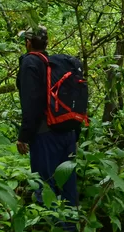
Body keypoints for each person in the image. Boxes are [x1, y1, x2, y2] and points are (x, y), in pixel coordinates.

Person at [15, 26, 79, 221]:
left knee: (45, 184)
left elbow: (31, 102)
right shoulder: (57, 64)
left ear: (28, 43)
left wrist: (24, 136)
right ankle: (70, 231)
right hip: (68, 131)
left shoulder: (30, 63)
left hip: (45, 134)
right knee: (68, 184)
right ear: (46, 43)